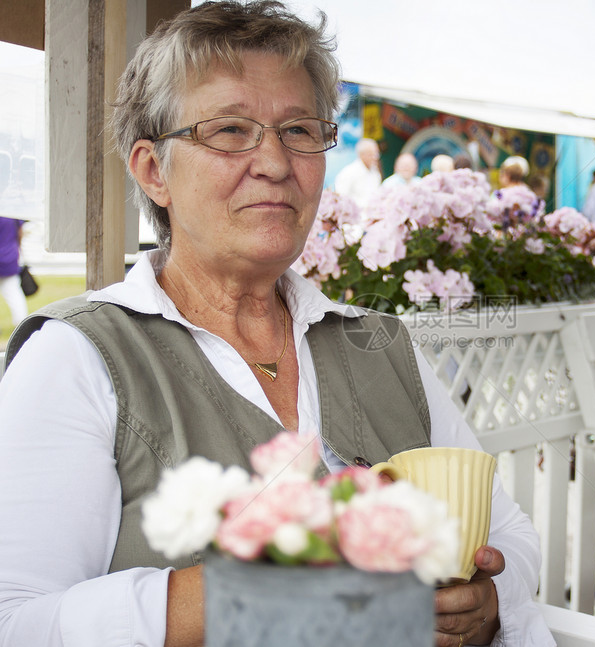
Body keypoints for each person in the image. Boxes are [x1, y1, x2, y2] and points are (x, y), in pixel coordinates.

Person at [0, 3, 552, 647]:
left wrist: (483, 603)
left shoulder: (379, 344)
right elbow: (18, 621)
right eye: (230, 129)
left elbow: (509, 534)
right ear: (153, 171)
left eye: (299, 130)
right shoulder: (79, 357)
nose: (275, 161)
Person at [334, 137, 381, 207]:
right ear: (361, 155)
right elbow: (341, 198)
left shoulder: (375, 172)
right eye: (371, 154)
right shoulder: (349, 172)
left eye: (376, 153)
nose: (375, 157)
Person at [0, 217, 28, 331]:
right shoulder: (13, 215)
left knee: (13, 292)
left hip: (8, 256)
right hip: (10, 256)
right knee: (13, 293)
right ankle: (21, 323)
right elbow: (20, 234)